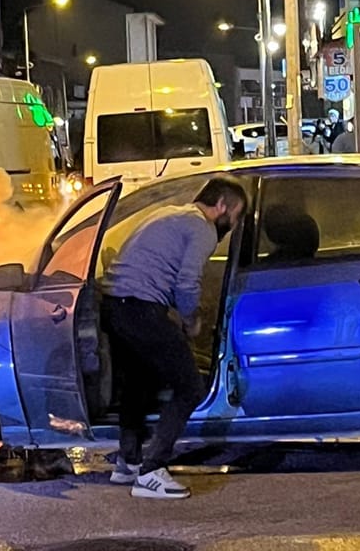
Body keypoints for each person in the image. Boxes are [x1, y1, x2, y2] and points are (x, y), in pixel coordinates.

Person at [100, 174, 247, 499]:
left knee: (138, 383)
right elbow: (187, 281)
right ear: (221, 205)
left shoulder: (168, 213)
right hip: (141, 309)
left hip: (115, 306)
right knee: (189, 386)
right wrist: (190, 318)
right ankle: (152, 471)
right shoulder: (202, 227)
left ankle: (129, 463)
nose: (231, 227)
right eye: (234, 217)